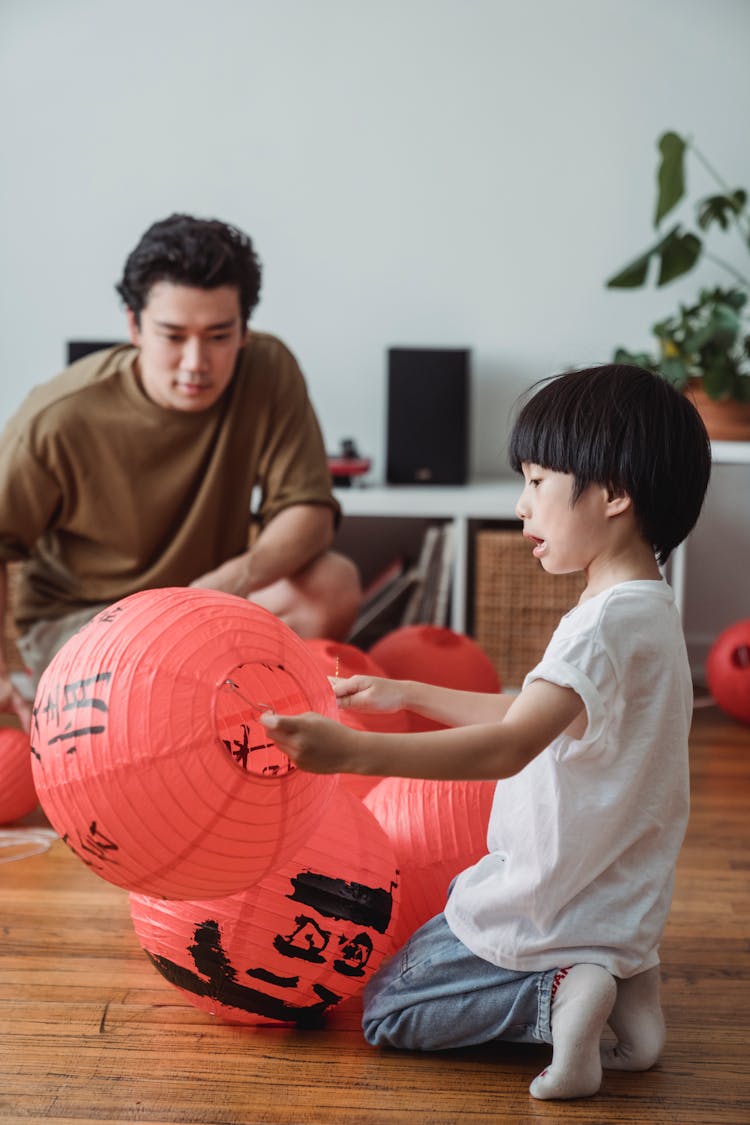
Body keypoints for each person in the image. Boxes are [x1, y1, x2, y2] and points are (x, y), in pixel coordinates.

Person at [261, 363, 712, 1101]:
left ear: (615, 492)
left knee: (386, 1008)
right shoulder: (649, 609)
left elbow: (510, 744)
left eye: (538, 483)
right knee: (571, 945)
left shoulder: (596, 628)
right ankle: (630, 988)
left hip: (547, 907)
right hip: (619, 901)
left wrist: (355, 751)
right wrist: (407, 689)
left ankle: (563, 992)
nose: (521, 504)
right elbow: (534, 709)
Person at [0, 214, 361, 729]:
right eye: (173, 336)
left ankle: (202, 701)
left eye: (219, 336)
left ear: (244, 330)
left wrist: (226, 582)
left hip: (207, 600)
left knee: (333, 583)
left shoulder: (267, 368)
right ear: (133, 326)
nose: (196, 363)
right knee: (157, 711)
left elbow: (308, 512)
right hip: (90, 622)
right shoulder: (56, 418)